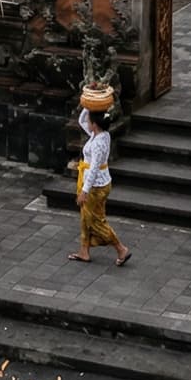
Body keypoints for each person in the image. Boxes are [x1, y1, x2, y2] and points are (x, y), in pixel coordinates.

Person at [70, 107, 132, 267]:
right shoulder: (101, 135)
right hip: (100, 183)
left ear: (95, 125)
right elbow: (81, 120)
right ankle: (84, 250)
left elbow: (94, 168)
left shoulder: (98, 143)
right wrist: (88, 105)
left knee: (96, 221)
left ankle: (121, 248)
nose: (87, 123)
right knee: (86, 217)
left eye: (91, 121)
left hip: (95, 186)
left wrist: (84, 191)